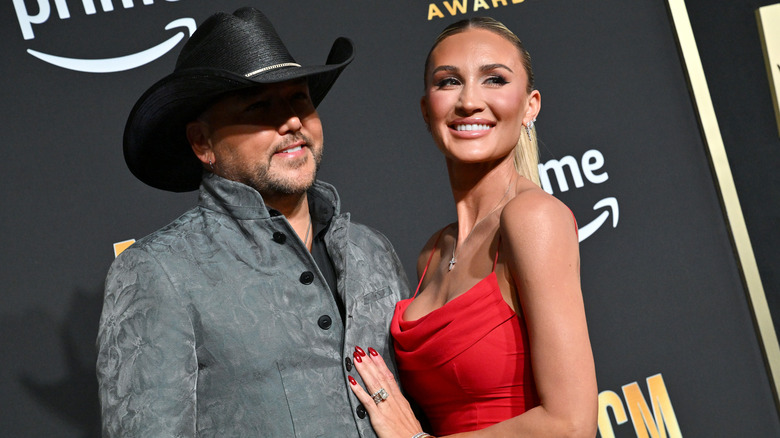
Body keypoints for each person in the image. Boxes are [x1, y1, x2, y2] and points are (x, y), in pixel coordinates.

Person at [96, 7, 410, 437]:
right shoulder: (157, 271)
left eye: (299, 99)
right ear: (203, 143)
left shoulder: (371, 251)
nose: (292, 121)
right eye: (260, 107)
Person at [348, 17, 598, 437]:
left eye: (494, 80)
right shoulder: (432, 253)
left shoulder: (532, 218)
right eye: (448, 82)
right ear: (427, 110)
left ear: (530, 105)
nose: (469, 101)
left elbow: (571, 424)